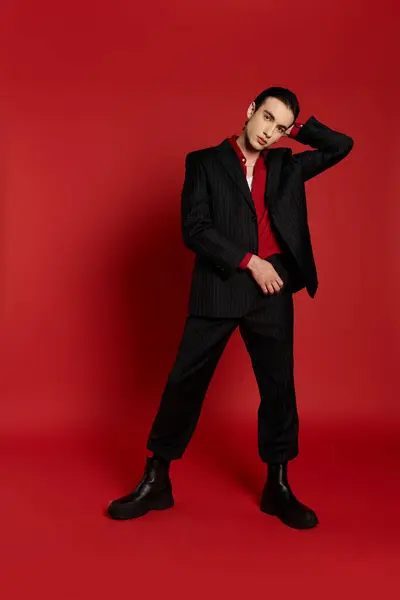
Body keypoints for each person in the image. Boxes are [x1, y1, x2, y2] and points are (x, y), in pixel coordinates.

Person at [107, 87, 353, 529]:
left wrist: (297, 127)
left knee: (279, 388)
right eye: (266, 119)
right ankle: (156, 478)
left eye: (280, 127)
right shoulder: (202, 162)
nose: (269, 132)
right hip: (220, 287)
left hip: (271, 291)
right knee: (185, 382)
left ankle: (277, 485)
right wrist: (249, 261)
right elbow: (195, 228)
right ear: (249, 111)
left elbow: (341, 146)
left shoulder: (286, 165)